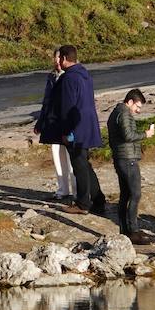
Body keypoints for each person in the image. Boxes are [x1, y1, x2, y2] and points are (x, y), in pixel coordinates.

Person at [41, 45, 105, 215]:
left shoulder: (69, 78)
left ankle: (83, 203)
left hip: (75, 130)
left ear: (62, 58)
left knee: (79, 167)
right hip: (87, 127)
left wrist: (66, 132)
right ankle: (98, 200)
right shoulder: (84, 74)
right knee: (85, 165)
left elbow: (67, 108)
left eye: (58, 58)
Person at [107, 89, 155, 245]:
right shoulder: (125, 113)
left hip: (121, 158)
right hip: (128, 159)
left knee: (125, 195)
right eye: (138, 106)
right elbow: (128, 136)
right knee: (135, 195)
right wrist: (145, 134)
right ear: (129, 102)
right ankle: (133, 231)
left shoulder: (116, 112)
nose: (138, 110)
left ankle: (125, 229)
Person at [33, 52, 75, 204]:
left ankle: (77, 192)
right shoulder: (51, 76)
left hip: (68, 122)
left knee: (72, 158)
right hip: (53, 122)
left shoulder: (71, 76)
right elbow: (46, 101)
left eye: (59, 57)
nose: (56, 61)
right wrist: (40, 121)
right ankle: (63, 190)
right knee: (57, 156)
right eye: (55, 57)